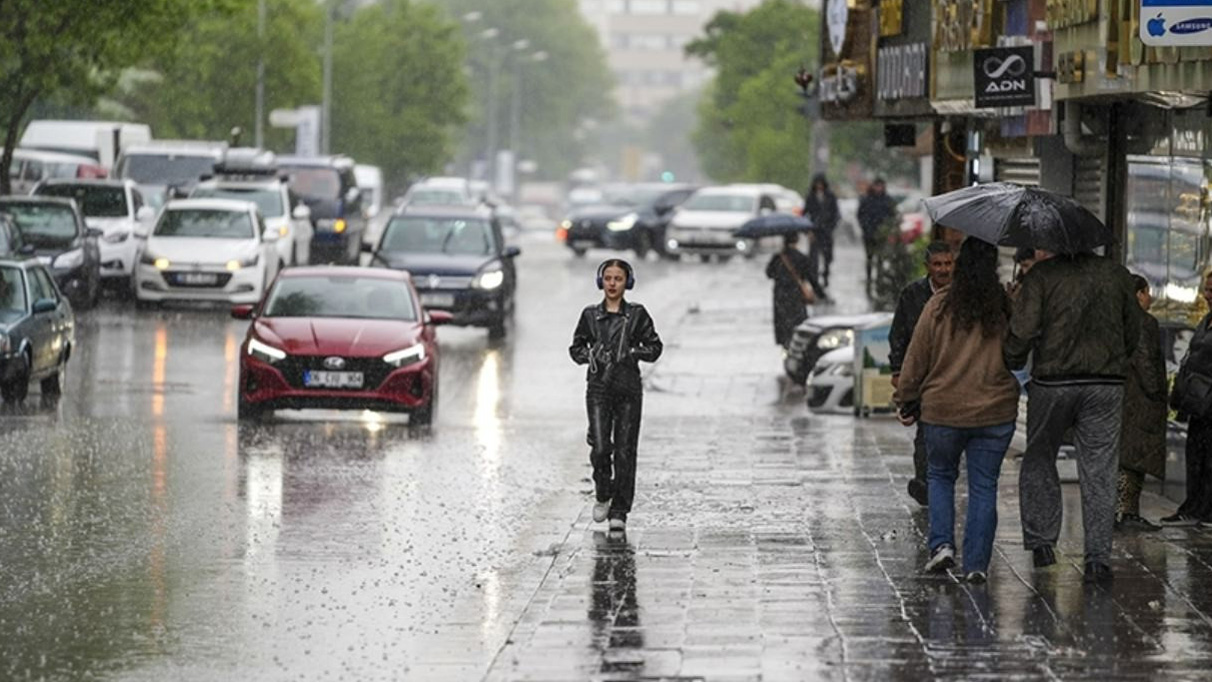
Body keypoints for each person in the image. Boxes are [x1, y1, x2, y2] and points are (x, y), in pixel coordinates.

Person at [1005, 250, 1139, 584]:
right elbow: (1133, 329)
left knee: (1039, 456)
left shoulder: (1041, 276)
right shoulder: (1117, 274)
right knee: (1100, 468)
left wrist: (1012, 356)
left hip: (1053, 382)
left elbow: (1023, 331)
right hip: (1105, 383)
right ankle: (1097, 559)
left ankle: (1042, 544)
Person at [894, 239, 1019, 583]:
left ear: (959, 266)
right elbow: (1021, 351)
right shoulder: (1005, 306)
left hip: (943, 410)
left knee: (940, 476)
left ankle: (942, 547)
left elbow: (916, 357)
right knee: (983, 485)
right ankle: (976, 564)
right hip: (995, 411)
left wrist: (905, 397)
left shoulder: (939, 305)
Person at [569, 259, 663, 532]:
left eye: (618, 279)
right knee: (600, 447)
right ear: (601, 281)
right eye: (608, 278)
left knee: (624, 450)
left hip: (628, 388)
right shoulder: (589, 315)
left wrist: (633, 353)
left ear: (627, 282)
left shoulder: (637, 314)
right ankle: (602, 491)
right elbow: (575, 348)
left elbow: (655, 346)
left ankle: (620, 509)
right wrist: (590, 355)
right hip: (598, 387)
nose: (612, 284)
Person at [889, 241, 954, 506]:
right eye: (937, 264)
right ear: (928, 267)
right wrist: (897, 372)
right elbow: (899, 336)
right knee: (925, 432)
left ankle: (935, 480)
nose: (943, 270)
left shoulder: (961, 296)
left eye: (948, 264)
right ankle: (926, 481)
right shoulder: (913, 295)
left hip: (953, 375)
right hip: (924, 377)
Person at [1117, 274, 1167, 531]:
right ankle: (1126, 513)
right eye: (1147, 292)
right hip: (1140, 399)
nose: (1150, 298)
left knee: (1127, 455)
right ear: (1138, 294)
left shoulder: (1118, 320)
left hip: (1123, 397)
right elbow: (1145, 359)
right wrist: (1157, 391)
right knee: (1134, 459)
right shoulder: (1144, 322)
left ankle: (1122, 511)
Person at [1165, 271, 1212, 527]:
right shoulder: (1206, 320)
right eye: (1206, 289)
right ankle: (1193, 506)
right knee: (1195, 455)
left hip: (1209, 399)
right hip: (1198, 401)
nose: (1207, 295)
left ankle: (1206, 510)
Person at [765, 232, 826, 348]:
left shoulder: (778, 258)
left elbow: (768, 273)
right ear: (797, 240)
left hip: (780, 297)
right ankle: (797, 348)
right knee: (798, 325)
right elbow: (811, 278)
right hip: (796, 296)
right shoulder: (801, 257)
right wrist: (821, 295)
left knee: (784, 325)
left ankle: (786, 347)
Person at [857, 178, 897, 295]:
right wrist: (866, 227)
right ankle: (869, 279)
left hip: (882, 235)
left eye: (881, 186)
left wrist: (886, 229)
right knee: (869, 258)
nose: (879, 188)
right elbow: (860, 215)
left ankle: (879, 280)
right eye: (877, 186)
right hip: (869, 235)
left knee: (880, 259)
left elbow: (893, 216)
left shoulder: (887, 200)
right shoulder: (866, 199)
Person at [802, 174, 840, 287]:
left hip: (827, 231)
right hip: (814, 231)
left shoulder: (830, 196)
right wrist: (808, 230)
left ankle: (826, 276)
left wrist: (831, 227)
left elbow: (836, 213)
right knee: (813, 257)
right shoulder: (810, 197)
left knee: (827, 256)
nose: (819, 186)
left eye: (820, 183)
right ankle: (814, 279)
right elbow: (805, 213)